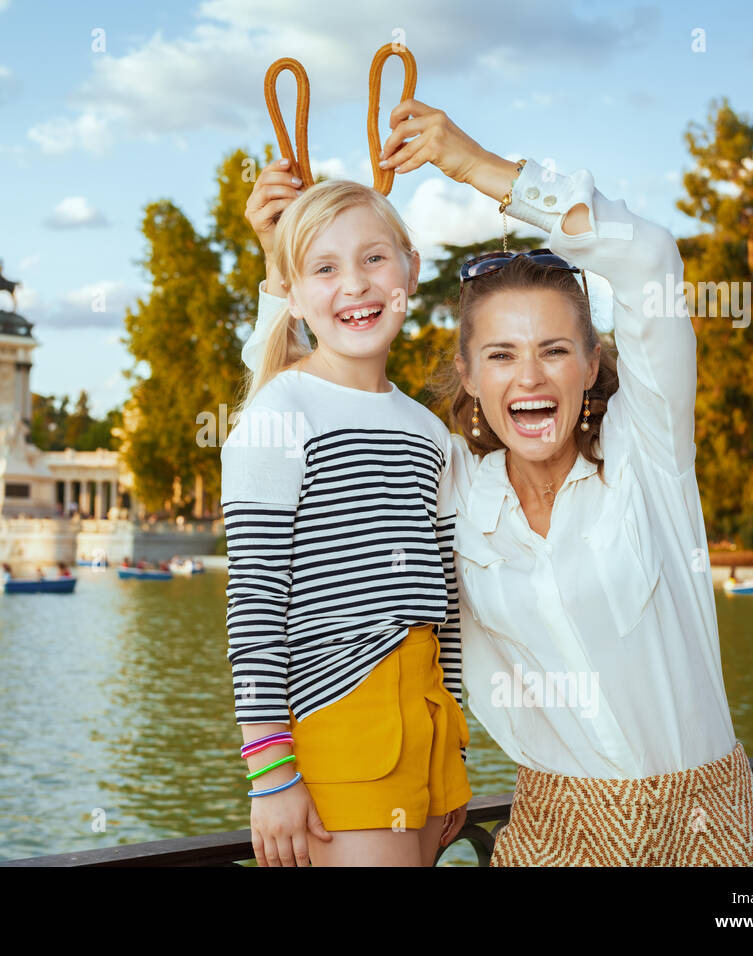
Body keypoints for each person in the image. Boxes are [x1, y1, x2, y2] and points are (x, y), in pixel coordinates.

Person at [248, 99, 753, 867]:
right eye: (501, 355)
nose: (530, 376)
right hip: (554, 836)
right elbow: (296, 433)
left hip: (714, 832)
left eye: (555, 350)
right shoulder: (451, 481)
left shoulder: (650, 460)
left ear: (594, 365)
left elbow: (652, 261)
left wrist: (478, 168)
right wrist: (284, 268)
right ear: (468, 375)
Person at [226, 167, 470, 867]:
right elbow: (255, 602)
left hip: (424, 731)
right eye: (324, 268)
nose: (355, 284)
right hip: (343, 726)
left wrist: (449, 742)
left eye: (373, 258)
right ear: (292, 294)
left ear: (410, 271)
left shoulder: (429, 433)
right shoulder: (281, 413)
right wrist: (271, 776)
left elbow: (443, 601)